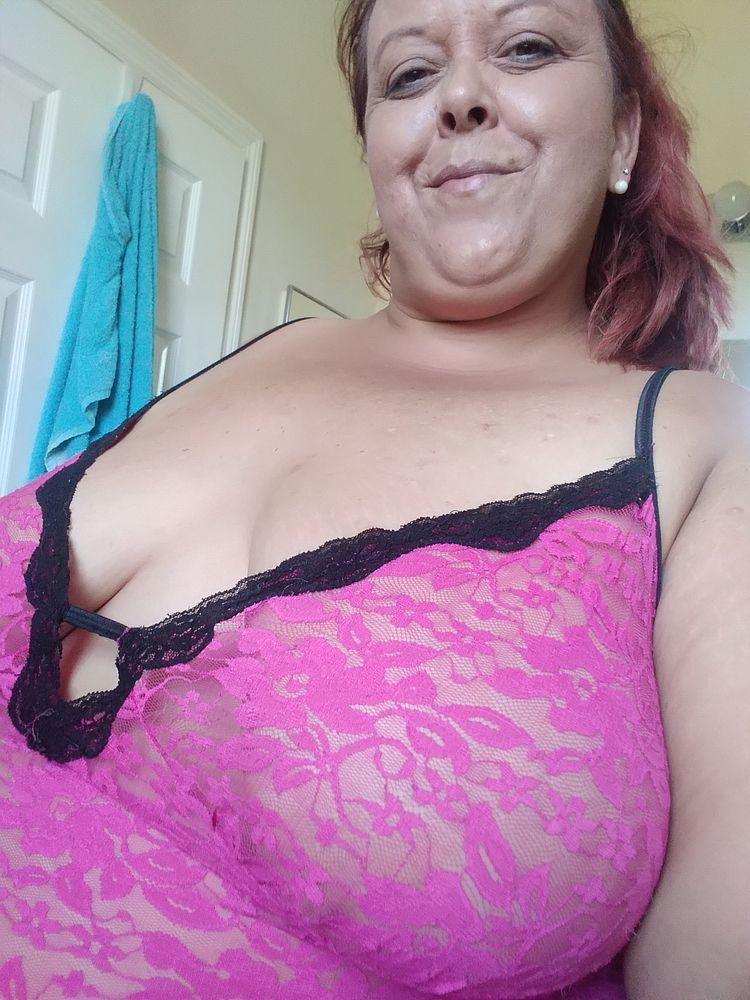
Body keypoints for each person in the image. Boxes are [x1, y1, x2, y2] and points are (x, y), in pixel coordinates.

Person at [1, 0, 748, 996]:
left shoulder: (705, 440)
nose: (460, 96)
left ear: (623, 133)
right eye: (409, 75)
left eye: (526, 46)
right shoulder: (273, 351)